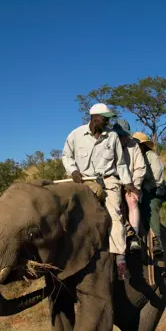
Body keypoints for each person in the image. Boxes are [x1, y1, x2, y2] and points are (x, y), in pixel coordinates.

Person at [62, 103, 137, 280]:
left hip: (108, 180)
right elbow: (66, 155)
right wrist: (73, 170)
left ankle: (120, 259)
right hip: (84, 181)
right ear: (94, 117)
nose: (107, 121)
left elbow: (120, 163)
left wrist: (127, 182)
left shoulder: (112, 137)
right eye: (105, 118)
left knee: (115, 213)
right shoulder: (76, 135)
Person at [112, 119, 147, 253]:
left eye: (124, 135)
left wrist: (133, 185)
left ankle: (134, 237)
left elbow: (140, 168)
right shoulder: (108, 144)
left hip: (131, 184)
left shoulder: (134, 146)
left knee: (132, 200)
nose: (122, 137)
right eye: (119, 135)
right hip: (113, 184)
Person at [132, 131, 166, 256]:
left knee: (151, 207)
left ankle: (157, 240)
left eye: (137, 143)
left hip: (153, 191)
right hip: (139, 190)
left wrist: (140, 176)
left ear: (142, 145)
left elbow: (157, 175)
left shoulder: (150, 155)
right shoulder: (134, 156)